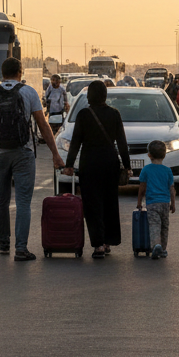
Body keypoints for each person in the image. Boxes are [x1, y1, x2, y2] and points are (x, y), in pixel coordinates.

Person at [0, 58, 64, 261]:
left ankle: (3, 244)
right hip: (23, 152)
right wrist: (55, 154)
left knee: (1, 200)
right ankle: (21, 248)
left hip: (0, 152)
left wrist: (0, 125)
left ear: (2, 73)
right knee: (23, 202)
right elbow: (43, 125)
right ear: (20, 72)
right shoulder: (29, 92)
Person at [61, 79, 131, 258]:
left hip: (90, 163)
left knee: (92, 204)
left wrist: (69, 165)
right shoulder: (114, 114)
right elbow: (122, 142)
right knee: (110, 202)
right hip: (110, 162)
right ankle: (108, 241)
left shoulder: (84, 115)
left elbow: (76, 141)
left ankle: (98, 245)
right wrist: (127, 166)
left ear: (89, 97)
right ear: (105, 96)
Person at [136, 140, 176, 260]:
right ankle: (163, 249)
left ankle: (156, 245)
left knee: (154, 225)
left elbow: (142, 188)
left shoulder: (146, 170)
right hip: (165, 203)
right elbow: (172, 189)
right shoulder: (167, 171)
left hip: (152, 203)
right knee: (164, 226)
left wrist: (139, 202)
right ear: (164, 155)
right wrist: (173, 203)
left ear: (149, 155)